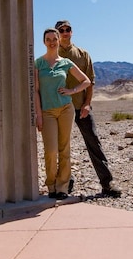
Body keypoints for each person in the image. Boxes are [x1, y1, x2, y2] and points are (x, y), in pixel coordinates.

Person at [54, 19, 122, 198]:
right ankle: (65, 182)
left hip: (81, 108)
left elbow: (90, 81)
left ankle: (107, 183)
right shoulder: (53, 55)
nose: (65, 32)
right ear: (57, 33)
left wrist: (86, 104)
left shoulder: (83, 54)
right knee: (62, 145)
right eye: (62, 30)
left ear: (72, 32)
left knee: (94, 143)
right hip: (61, 108)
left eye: (68, 29)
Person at [34, 27, 91, 200]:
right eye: (48, 39)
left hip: (66, 109)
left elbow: (86, 81)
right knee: (50, 150)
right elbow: (35, 91)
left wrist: (72, 90)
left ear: (59, 41)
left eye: (54, 38)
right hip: (47, 112)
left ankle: (62, 187)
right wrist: (38, 114)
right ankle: (51, 184)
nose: (51, 42)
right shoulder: (38, 63)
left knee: (64, 148)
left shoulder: (65, 63)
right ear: (44, 42)